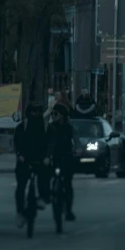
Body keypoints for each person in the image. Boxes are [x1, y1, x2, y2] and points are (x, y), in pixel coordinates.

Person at [46, 95, 77, 224]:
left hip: (66, 159)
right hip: (53, 159)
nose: (54, 116)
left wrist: (76, 151)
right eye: (52, 113)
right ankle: (48, 195)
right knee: (46, 177)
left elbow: (75, 142)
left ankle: (68, 209)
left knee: (68, 184)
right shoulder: (50, 128)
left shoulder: (68, 128)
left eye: (56, 113)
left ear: (63, 115)